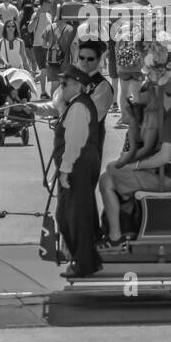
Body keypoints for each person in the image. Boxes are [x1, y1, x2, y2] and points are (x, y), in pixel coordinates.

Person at [100, 78, 171, 241]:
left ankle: (118, 231)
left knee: (110, 173)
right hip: (163, 175)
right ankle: (116, 232)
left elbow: (163, 157)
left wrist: (136, 165)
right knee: (107, 178)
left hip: (167, 180)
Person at [53, 65, 103, 276]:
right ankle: (83, 258)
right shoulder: (75, 104)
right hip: (81, 165)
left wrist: (65, 171)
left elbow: (74, 142)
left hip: (77, 166)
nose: (61, 87)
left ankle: (83, 263)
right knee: (74, 213)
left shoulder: (78, 108)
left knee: (72, 215)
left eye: (65, 84)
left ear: (77, 86)